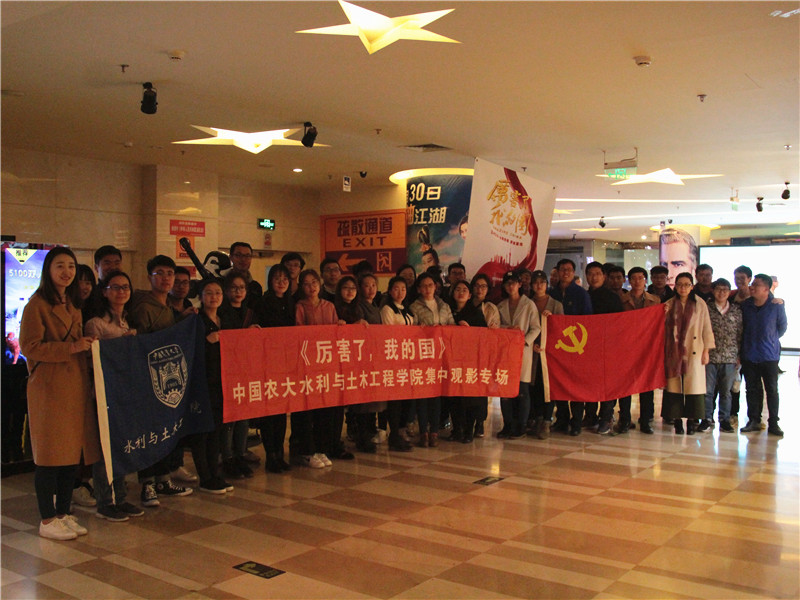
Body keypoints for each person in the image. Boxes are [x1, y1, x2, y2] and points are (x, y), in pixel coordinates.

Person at [19, 247, 101, 540]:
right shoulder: (36, 305)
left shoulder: (73, 304)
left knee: (69, 456)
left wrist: (85, 345)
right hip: (49, 387)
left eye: (71, 266)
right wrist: (71, 347)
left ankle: (63, 513)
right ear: (48, 271)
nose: (67, 272)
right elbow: (29, 347)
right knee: (49, 456)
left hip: (74, 385)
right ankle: (47, 518)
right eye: (60, 266)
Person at [128, 255, 193, 506]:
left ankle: (163, 479)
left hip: (168, 379)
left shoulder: (168, 308)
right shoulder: (143, 307)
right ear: (149, 277)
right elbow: (143, 343)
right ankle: (147, 484)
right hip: (148, 379)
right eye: (160, 273)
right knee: (150, 432)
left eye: (170, 273)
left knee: (166, 430)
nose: (166, 278)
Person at [85, 270, 145, 521]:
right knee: (104, 449)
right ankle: (105, 501)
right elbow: (93, 358)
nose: (121, 292)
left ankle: (120, 498)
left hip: (126, 393)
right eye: (115, 287)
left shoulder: (130, 321)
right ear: (104, 291)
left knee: (121, 446)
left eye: (125, 287)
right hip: (103, 394)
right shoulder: (96, 323)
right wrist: (121, 343)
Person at [295, 269, 346, 466]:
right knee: (309, 410)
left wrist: (339, 326)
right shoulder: (300, 306)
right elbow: (299, 332)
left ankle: (322, 448)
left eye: (314, 282)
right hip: (308, 364)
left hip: (326, 364)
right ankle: (307, 451)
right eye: (307, 284)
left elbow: (335, 332)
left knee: (325, 409)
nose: (311, 287)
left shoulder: (329, 306)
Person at [193, 279, 236, 494]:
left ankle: (215, 473)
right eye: (209, 293)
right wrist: (205, 341)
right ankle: (205, 477)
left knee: (217, 429)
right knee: (203, 431)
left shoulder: (224, 319)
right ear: (201, 296)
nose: (214, 297)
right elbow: (188, 350)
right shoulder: (196, 320)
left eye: (218, 292)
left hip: (222, 381)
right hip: (203, 382)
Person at [663, 272, 715, 435]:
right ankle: (677, 421)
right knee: (675, 388)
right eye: (679, 284)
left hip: (695, 350)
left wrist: (706, 350)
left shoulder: (700, 304)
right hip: (674, 350)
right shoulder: (669, 304)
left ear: (692, 286)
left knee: (693, 387)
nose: (683, 288)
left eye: (686, 284)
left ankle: (692, 421)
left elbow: (706, 328)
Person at [254, 264, 293, 473]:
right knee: (269, 411)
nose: (281, 282)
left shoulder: (290, 302)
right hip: (267, 362)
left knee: (281, 410)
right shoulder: (263, 302)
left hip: (285, 363)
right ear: (270, 281)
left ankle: (279, 452)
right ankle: (270, 454)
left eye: (285, 278)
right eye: (277, 278)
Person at [334, 275, 380, 453]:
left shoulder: (358, 308)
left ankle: (365, 435)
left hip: (361, 360)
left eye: (353, 288)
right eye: (346, 288)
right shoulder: (334, 307)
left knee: (364, 400)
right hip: (341, 362)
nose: (350, 291)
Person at [409, 272, 455, 447]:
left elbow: (452, 326)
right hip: (423, 355)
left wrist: (441, 328)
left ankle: (434, 431)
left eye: (430, 285)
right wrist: (421, 329)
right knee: (423, 395)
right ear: (419, 289)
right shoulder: (414, 306)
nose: (427, 289)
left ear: (436, 287)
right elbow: (411, 329)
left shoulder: (444, 305)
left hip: (441, 355)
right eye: (424, 286)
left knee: (436, 395)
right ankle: (423, 432)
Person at [739, 274, 788, 436]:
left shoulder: (776, 306)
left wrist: (770, 339)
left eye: (756, 285)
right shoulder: (745, 305)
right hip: (749, 354)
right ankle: (754, 420)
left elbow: (782, 327)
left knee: (772, 390)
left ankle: (773, 423)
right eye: (752, 284)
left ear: (766, 289)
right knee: (752, 389)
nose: (752, 287)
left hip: (769, 355)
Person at [220, 271, 257, 480]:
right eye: (234, 288)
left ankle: (241, 453)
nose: (238, 291)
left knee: (244, 415)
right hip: (227, 370)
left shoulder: (249, 312)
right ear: (226, 290)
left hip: (246, 369)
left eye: (242, 288)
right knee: (229, 418)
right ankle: (227, 457)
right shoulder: (221, 312)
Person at [549, 259, 592, 435]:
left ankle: (576, 422)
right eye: (562, 269)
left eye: (569, 270)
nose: (565, 272)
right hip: (557, 347)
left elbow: (588, 320)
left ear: (574, 272)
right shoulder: (551, 293)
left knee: (576, 385)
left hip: (576, 347)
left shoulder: (581, 294)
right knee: (558, 383)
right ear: (558, 272)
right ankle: (562, 419)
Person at [496, 271, 541, 440]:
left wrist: (524, 341)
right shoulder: (501, 306)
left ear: (520, 284)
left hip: (523, 351)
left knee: (522, 390)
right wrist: (507, 329)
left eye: (514, 283)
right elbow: (495, 326)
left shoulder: (529, 304)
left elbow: (536, 327)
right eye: (508, 283)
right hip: (505, 352)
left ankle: (521, 425)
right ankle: (508, 424)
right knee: (505, 389)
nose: (511, 286)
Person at [617, 267, 661, 434]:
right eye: (633, 278)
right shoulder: (621, 300)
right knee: (625, 385)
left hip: (647, 348)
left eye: (640, 278)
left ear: (645, 280)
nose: (637, 281)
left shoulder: (655, 301)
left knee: (646, 385)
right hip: (626, 348)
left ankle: (646, 420)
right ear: (629, 281)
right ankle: (625, 419)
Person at [584, 261, 623, 433]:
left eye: (598, 274)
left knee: (607, 384)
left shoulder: (612, 297)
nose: (594, 277)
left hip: (608, 347)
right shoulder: (583, 296)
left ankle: (606, 418)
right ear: (586, 276)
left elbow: (619, 323)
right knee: (589, 382)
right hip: (587, 347)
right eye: (591, 274)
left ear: (604, 276)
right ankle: (590, 415)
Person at [446, 280, 487, 443]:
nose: (461, 292)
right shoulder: (447, 311)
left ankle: (469, 430)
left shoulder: (476, 313)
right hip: (452, 361)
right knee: (454, 396)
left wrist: (468, 330)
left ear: (470, 295)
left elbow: (484, 336)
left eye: (464, 290)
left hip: (471, 361)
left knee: (470, 398)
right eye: (457, 289)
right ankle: (456, 429)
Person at [699, 278, 742, 433]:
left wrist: (739, 355)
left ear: (729, 292)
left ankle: (724, 420)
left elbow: (740, 333)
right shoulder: (706, 308)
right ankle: (706, 419)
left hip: (730, 356)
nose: (722, 292)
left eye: (725, 289)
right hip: (709, 356)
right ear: (713, 291)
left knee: (726, 392)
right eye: (718, 289)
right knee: (707, 391)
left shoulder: (736, 310)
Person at [379, 276, 416, 452]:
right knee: (394, 399)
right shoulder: (387, 309)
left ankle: (400, 431)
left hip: (407, 358)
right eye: (396, 288)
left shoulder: (407, 310)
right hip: (394, 359)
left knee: (405, 398)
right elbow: (389, 334)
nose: (400, 292)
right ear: (389, 290)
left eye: (403, 289)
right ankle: (393, 433)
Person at [470, 273, 501, 438]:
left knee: (481, 390)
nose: (479, 289)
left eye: (483, 286)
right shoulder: (465, 303)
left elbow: (495, 333)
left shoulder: (491, 308)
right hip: (465, 354)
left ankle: (480, 422)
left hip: (483, 354)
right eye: (477, 286)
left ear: (488, 289)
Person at [229, 242, 262, 308]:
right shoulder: (222, 283)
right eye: (238, 255)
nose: (243, 259)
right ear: (231, 257)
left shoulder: (255, 287)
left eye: (247, 256)